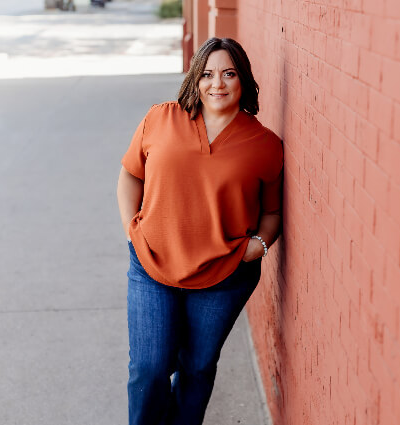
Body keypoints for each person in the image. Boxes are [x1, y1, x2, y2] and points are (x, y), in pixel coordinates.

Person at [117, 37, 283, 425]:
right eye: (207, 74)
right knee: (149, 368)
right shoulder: (162, 117)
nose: (218, 84)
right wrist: (130, 228)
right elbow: (129, 174)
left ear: (244, 80)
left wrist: (257, 246)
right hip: (151, 266)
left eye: (228, 73)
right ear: (195, 78)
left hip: (223, 276)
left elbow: (272, 212)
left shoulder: (265, 145)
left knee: (197, 368)